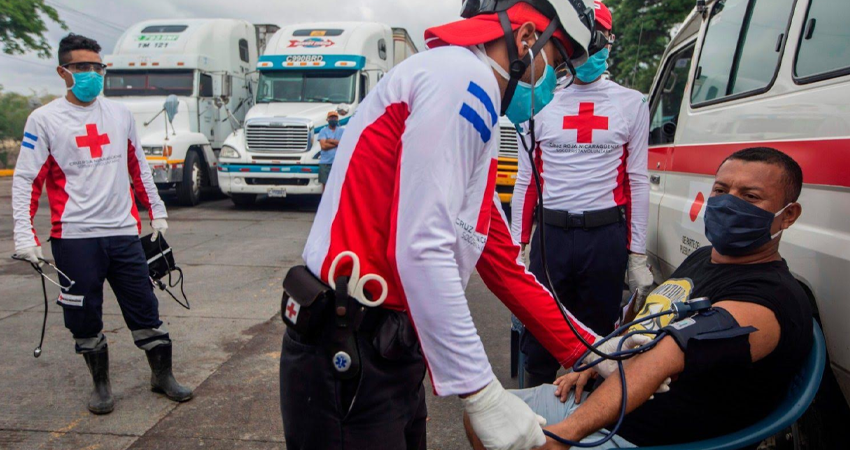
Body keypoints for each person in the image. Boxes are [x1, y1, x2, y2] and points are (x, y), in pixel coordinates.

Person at [278, 2, 653, 449]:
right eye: (554, 62)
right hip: (350, 341)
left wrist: (595, 350)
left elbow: (498, 259)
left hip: (382, 344)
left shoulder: (474, 104)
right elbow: (423, 245)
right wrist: (482, 391)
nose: (552, 80)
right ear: (526, 38)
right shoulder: (462, 79)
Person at [468, 147, 813, 448]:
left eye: (750, 197)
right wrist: (595, 364)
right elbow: (645, 325)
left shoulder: (768, 299)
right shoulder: (703, 258)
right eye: (721, 190)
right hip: (605, 403)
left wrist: (564, 435)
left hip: (641, 434)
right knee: (482, 419)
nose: (728, 203)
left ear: (789, 214)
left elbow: (666, 355)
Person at [11, 34, 193, 415]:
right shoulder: (43, 119)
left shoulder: (119, 115)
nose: (92, 74)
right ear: (63, 72)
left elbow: (138, 166)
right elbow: (27, 179)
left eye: (98, 67)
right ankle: (101, 386)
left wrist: (155, 210)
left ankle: (162, 376)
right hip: (74, 238)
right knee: (83, 315)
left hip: (123, 234)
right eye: (82, 67)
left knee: (145, 306)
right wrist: (24, 234)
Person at [511, 0, 653, 387]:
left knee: (601, 342)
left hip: (603, 236)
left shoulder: (632, 103)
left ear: (609, 42)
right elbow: (525, 180)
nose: (589, 51)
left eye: (598, 40)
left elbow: (638, 181)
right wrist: (518, 244)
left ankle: (591, 429)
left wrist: (637, 255)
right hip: (551, 236)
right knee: (538, 340)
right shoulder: (539, 101)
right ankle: (534, 429)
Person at [317, 110, 344, 187]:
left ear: (338, 119)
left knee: (337, 185)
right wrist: (337, 144)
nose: (333, 119)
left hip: (337, 163)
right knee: (325, 186)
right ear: (327, 119)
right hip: (325, 163)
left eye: (335, 117)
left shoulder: (342, 131)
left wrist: (330, 140)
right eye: (331, 117)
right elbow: (323, 146)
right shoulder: (323, 131)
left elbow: (344, 144)